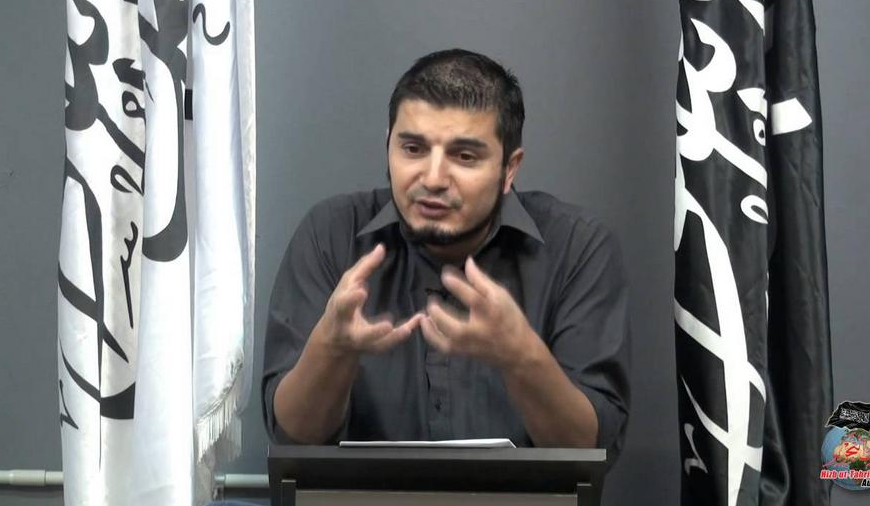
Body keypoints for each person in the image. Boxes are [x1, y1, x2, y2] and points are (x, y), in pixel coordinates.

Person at [262, 49, 630, 454]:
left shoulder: (577, 247)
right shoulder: (332, 234)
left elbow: (589, 451)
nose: (434, 178)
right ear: (388, 147)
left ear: (509, 168)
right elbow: (292, 438)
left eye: (464, 156)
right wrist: (331, 349)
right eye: (413, 149)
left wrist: (521, 357)